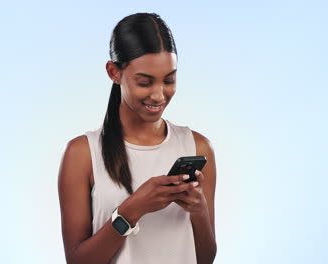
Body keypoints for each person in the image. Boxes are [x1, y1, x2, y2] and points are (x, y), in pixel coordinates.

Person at [58, 12, 217, 264]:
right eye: (145, 82)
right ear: (114, 72)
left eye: (169, 80)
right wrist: (131, 210)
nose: (159, 95)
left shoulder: (197, 147)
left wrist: (199, 211)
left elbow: (205, 259)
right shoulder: (82, 153)